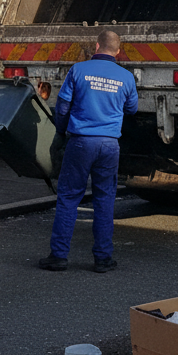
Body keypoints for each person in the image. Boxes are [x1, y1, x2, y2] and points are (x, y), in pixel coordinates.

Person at [39, 30, 138, 273]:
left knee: (69, 197)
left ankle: (59, 256)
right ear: (118, 51)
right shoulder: (126, 77)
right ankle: (103, 259)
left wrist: (61, 133)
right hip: (109, 145)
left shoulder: (78, 70)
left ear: (96, 46)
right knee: (104, 200)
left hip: (81, 142)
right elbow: (132, 108)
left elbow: (62, 106)